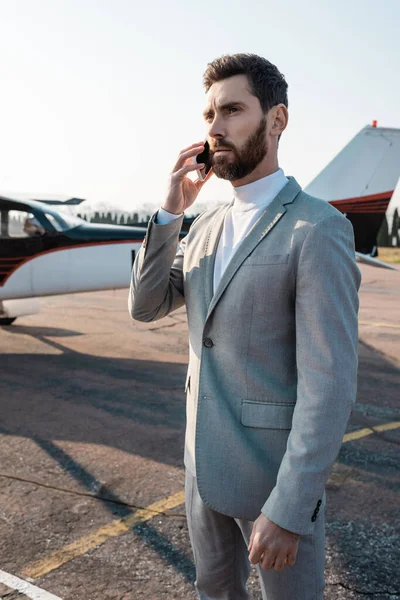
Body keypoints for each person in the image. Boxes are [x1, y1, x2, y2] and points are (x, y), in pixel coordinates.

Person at [129, 53, 361, 600]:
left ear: (276, 120)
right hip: (201, 470)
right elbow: (145, 306)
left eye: (232, 109)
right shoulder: (203, 223)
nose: (215, 127)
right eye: (209, 114)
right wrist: (169, 212)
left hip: (271, 484)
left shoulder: (317, 229)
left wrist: (290, 509)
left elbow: (329, 387)